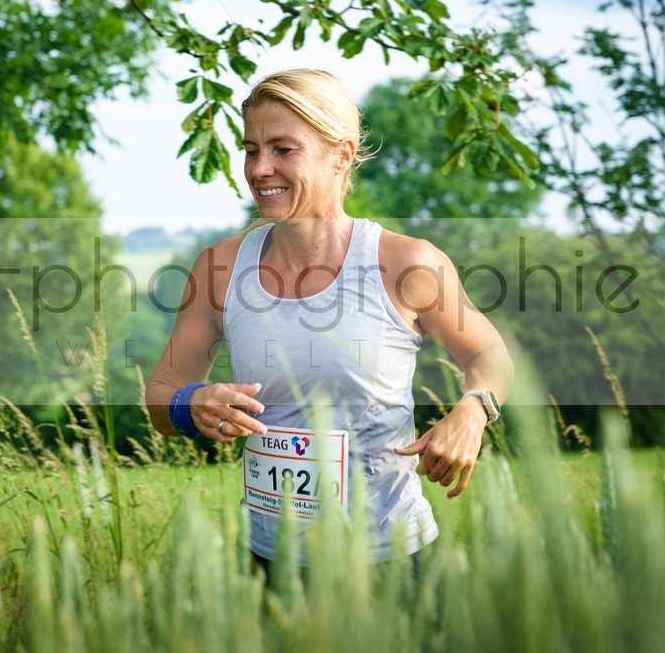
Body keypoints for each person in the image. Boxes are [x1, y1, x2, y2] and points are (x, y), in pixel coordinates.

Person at [145, 69, 513, 572]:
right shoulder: (220, 268)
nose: (258, 169)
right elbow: (161, 396)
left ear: (340, 155)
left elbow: (489, 356)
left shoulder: (407, 264)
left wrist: (474, 409)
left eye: (283, 149)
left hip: (388, 562)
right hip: (267, 563)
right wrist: (193, 403)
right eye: (251, 150)